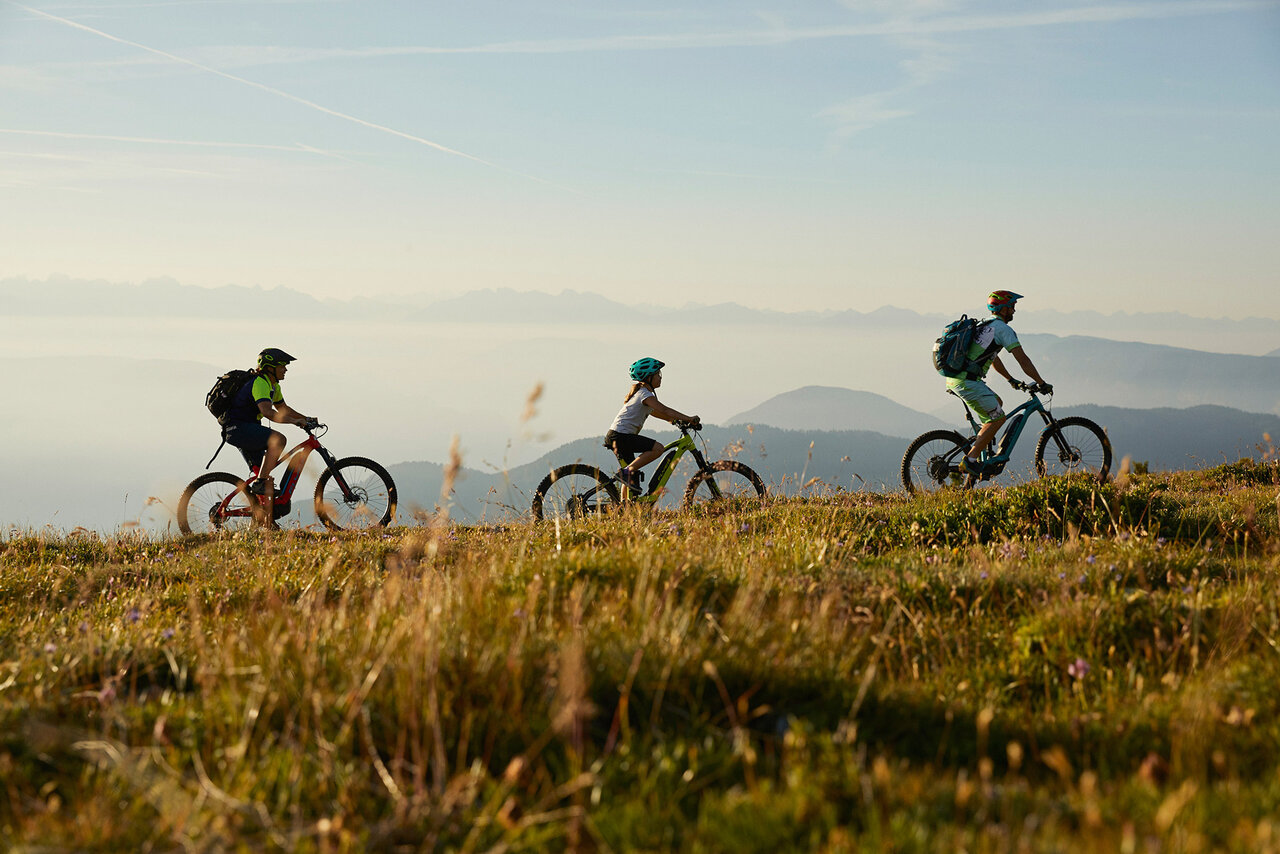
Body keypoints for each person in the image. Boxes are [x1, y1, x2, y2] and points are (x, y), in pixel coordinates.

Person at [947, 291, 1051, 474]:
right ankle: (970, 460)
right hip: (968, 382)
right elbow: (1023, 360)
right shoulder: (1003, 330)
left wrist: (1010, 379)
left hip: (957, 379)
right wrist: (1041, 382)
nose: (1014, 311)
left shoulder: (983, 325)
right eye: (1012, 307)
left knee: (998, 404)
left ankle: (978, 445)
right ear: (1003, 309)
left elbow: (993, 358)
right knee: (999, 418)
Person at [221, 348, 317, 507]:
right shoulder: (259, 383)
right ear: (270, 367)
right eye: (282, 366)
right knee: (278, 440)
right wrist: (295, 422)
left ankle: (265, 517)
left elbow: (283, 409)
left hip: (247, 428)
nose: (285, 369)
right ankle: (260, 483)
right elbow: (268, 412)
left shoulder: (273, 386)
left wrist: (305, 419)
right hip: (237, 428)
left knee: (266, 479)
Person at [605, 357, 700, 494]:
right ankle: (625, 473)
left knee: (632, 478)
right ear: (648, 377)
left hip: (617, 436)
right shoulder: (645, 394)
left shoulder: (643, 394)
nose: (660, 377)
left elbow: (656, 412)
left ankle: (623, 508)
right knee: (658, 449)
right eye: (658, 374)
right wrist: (689, 418)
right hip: (620, 437)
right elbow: (664, 410)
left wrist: (673, 421)